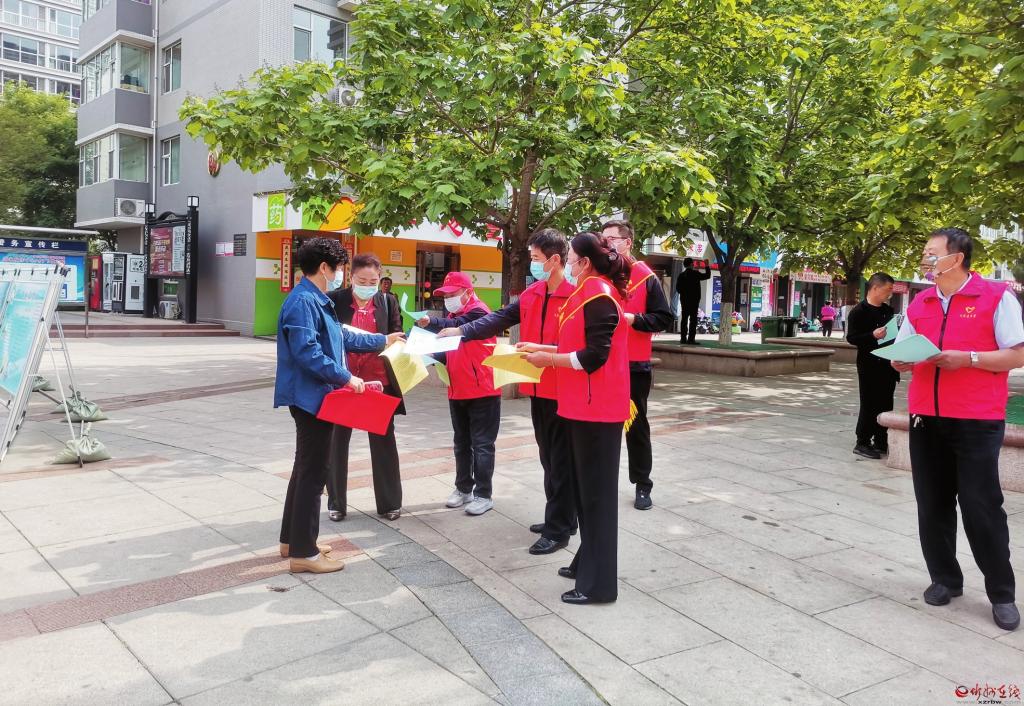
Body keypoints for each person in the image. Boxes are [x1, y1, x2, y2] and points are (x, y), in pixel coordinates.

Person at [892, 227, 1024, 631]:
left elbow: (1016, 355)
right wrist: (900, 360)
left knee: (981, 506)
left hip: (976, 419)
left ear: (957, 258)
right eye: (924, 253)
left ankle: (1002, 593)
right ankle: (945, 579)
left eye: (932, 253)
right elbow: (904, 346)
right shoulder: (921, 301)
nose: (926, 260)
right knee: (932, 504)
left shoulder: (996, 296)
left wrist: (967, 359)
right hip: (925, 416)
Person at [437, 229, 576, 553]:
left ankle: (558, 530)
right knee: (548, 459)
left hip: (564, 389)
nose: (532, 264)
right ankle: (561, 517)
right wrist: (461, 330)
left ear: (555, 260)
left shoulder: (574, 296)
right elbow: (498, 318)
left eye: (536, 258)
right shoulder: (533, 293)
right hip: (537, 388)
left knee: (561, 461)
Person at [273, 238, 402, 574]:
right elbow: (307, 352)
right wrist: (346, 377)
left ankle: (291, 540)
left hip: (315, 395)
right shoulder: (304, 301)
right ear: (324, 268)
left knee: (304, 469)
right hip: (310, 397)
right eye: (341, 268)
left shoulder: (316, 299)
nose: (341, 274)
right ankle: (305, 553)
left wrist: (382, 339)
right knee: (314, 473)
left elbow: (342, 336)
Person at [518, 232, 632, 605]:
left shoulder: (598, 295)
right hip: (583, 405)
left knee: (596, 498)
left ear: (584, 262)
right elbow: (576, 346)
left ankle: (598, 585)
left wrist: (548, 359)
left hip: (597, 408)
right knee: (587, 494)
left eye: (569, 257)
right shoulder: (587, 292)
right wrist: (541, 348)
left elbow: (594, 356)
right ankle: (587, 563)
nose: (565, 262)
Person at [326, 253, 405, 523]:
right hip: (344, 380)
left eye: (373, 281)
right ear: (351, 277)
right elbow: (330, 336)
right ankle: (336, 503)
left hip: (377, 382)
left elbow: (397, 335)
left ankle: (390, 503)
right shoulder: (335, 300)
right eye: (362, 281)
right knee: (336, 443)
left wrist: (401, 342)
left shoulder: (387, 301)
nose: (368, 286)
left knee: (384, 443)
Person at [602, 219, 673, 510]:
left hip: (634, 366)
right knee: (599, 426)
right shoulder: (599, 275)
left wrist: (634, 320)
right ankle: (600, 483)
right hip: (600, 363)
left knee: (636, 426)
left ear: (627, 242)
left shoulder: (645, 276)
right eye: (603, 239)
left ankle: (643, 484)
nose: (606, 244)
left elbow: (664, 317)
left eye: (612, 239)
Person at [418, 272, 502, 516]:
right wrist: (426, 353)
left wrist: (430, 322)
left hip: (483, 390)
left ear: (468, 292)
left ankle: (484, 495)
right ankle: (464, 488)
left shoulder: (479, 313)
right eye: (445, 296)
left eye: (453, 294)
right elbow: (449, 351)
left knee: (482, 445)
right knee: (461, 443)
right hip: (457, 390)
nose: (448, 300)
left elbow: (458, 328)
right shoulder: (454, 316)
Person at [845, 273, 899, 459]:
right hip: (869, 364)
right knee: (869, 403)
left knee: (886, 402)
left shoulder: (888, 310)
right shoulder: (859, 311)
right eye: (888, 289)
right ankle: (862, 441)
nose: (890, 293)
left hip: (888, 363)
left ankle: (881, 440)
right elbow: (852, 338)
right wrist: (872, 336)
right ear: (875, 288)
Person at [675, 258, 711, 344]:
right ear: (691, 264)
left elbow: (678, 289)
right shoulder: (695, 274)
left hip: (684, 300)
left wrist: (684, 293)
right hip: (694, 301)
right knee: (693, 320)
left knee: (684, 319)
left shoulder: (681, 275)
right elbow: (707, 275)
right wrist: (706, 265)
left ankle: (683, 339)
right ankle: (691, 339)